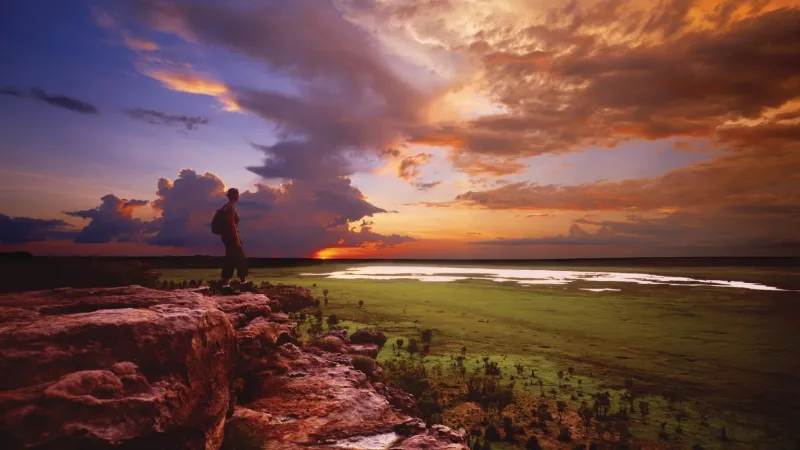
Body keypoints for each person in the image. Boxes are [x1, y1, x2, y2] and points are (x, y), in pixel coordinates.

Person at [218, 188, 250, 293]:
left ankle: (226, 285)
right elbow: (231, 224)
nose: (238, 195)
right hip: (231, 237)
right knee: (240, 259)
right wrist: (237, 239)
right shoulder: (230, 207)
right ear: (235, 196)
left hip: (227, 237)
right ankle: (243, 284)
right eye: (237, 194)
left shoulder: (226, 206)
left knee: (231, 259)